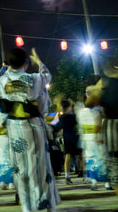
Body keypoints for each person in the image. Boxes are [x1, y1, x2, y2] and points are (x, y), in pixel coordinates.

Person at [0, 47, 60, 212]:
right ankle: (45, 204)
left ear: (10, 63)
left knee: (20, 167)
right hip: (34, 126)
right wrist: (38, 62)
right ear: (26, 62)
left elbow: (2, 104)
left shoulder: (3, 81)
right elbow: (47, 76)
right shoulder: (35, 78)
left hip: (15, 128)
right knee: (40, 164)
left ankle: (26, 206)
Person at [85, 56, 118, 195]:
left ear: (106, 69)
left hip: (112, 127)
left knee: (115, 165)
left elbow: (89, 103)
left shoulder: (103, 83)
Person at [77, 76, 112, 191]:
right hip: (98, 135)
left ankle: (94, 184)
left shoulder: (82, 110)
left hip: (87, 137)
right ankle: (107, 184)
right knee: (103, 158)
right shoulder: (98, 100)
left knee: (91, 159)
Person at [55, 98, 83, 184]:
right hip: (74, 138)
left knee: (68, 158)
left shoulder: (61, 118)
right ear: (69, 108)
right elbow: (78, 124)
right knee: (81, 157)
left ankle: (67, 177)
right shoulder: (72, 117)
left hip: (66, 139)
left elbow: (58, 128)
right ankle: (85, 175)